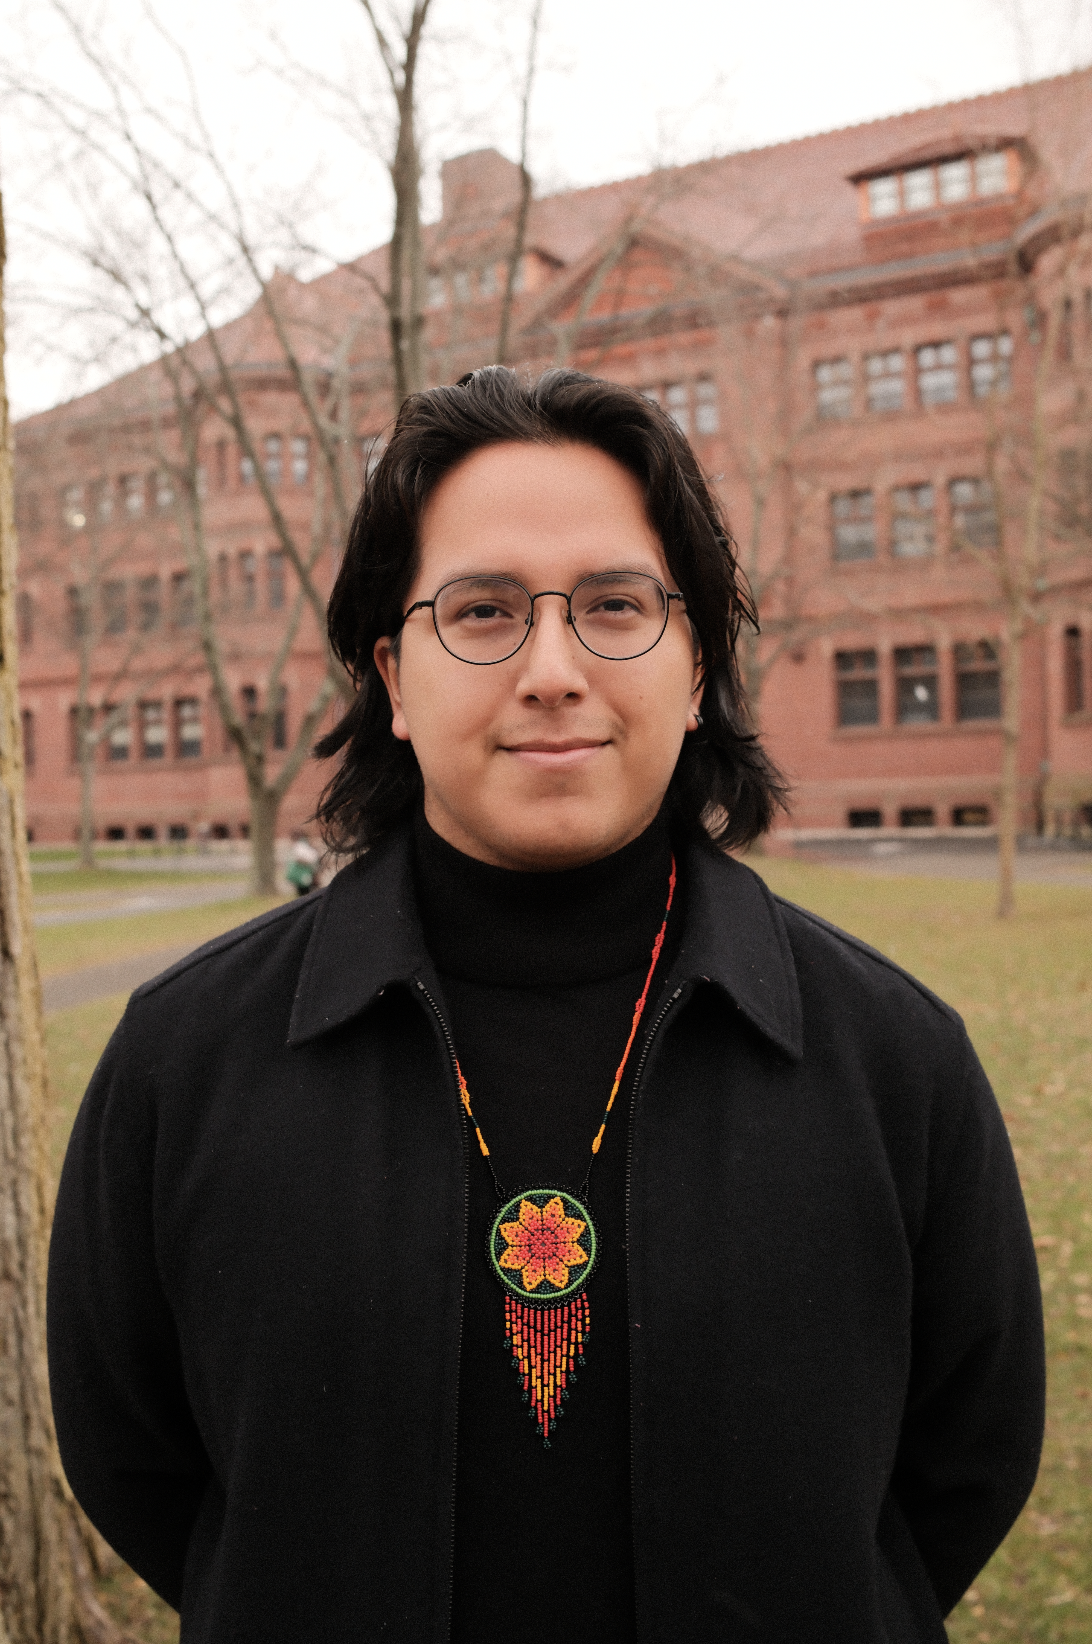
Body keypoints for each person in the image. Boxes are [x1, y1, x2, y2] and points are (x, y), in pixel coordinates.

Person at [47, 368, 1044, 1644]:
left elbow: (966, 1462)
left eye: (616, 606)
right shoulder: (185, 1059)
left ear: (698, 668)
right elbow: (137, 1456)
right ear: (392, 678)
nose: (553, 670)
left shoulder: (892, 1059)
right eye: (484, 612)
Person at [284, 828, 321, 895]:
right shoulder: (306, 844)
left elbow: (300, 857)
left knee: (304, 890)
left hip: (303, 872)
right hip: (309, 871)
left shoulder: (300, 845)